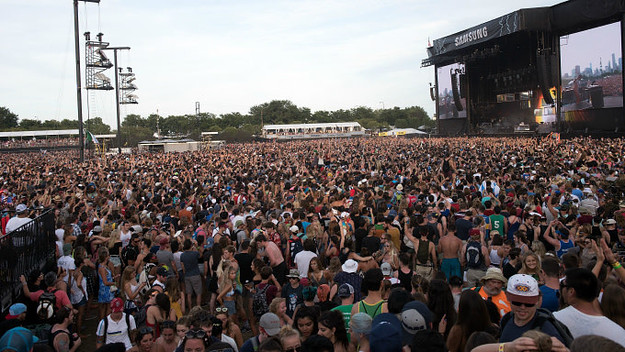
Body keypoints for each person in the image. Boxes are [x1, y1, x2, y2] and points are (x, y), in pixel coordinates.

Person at [554, 267, 625, 346]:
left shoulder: (555, 320)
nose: (560, 289)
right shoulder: (618, 332)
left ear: (571, 291)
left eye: (562, 285)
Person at [499, 274, 567, 345]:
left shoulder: (546, 329)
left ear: (537, 300)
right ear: (507, 297)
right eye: (517, 302)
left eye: (529, 304)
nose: (523, 307)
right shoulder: (506, 319)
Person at [180, 238, 203, 311]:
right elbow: (201, 254)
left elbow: (183, 267)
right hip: (195, 274)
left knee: (189, 294)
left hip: (187, 275)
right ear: (191, 245)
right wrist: (197, 246)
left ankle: (190, 309)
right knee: (198, 293)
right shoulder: (195, 253)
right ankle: (198, 308)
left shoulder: (182, 255)